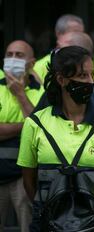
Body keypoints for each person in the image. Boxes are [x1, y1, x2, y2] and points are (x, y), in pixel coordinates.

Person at [16, 46, 94, 230]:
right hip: (47, 224)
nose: (91, 81)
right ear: (61, 79)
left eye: (93, 75)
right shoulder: (35, 123)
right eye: (83, 76)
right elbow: (28, 181)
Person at [0, 40, 43, 232]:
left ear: (31, 63)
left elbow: (40, 132)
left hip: (24, 178)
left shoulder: (42, 92)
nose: (12, 59)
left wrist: (20, 95)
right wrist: (27, 123)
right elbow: (33, 124)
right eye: (9, 54)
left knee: (29, 228)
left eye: (19, 55)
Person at [34, 31, 94, 114]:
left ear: (77, 53)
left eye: (60, 49)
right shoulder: (51, 96)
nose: (55, 53)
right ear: (60, 80)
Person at [34, 14, 85, 81]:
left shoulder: (93, 62)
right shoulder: (39, 66)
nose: (80, 38)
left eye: (82, 34)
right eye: (75, 33)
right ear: (58, 34)